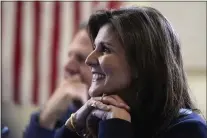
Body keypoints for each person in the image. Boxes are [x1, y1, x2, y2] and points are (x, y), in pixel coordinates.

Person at [54, 6, 207, 138]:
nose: (89, 60)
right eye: (94, 48)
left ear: (141, 64)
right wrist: (74, 125)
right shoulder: (98, 116)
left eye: (105, 49)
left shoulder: (189, 129)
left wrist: (116, 127)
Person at [23, 23, 93, 138]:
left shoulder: (123, 121)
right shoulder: (65, 112)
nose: (67, 66)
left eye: (81, 59)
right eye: (69, 55)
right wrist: (47, 118)